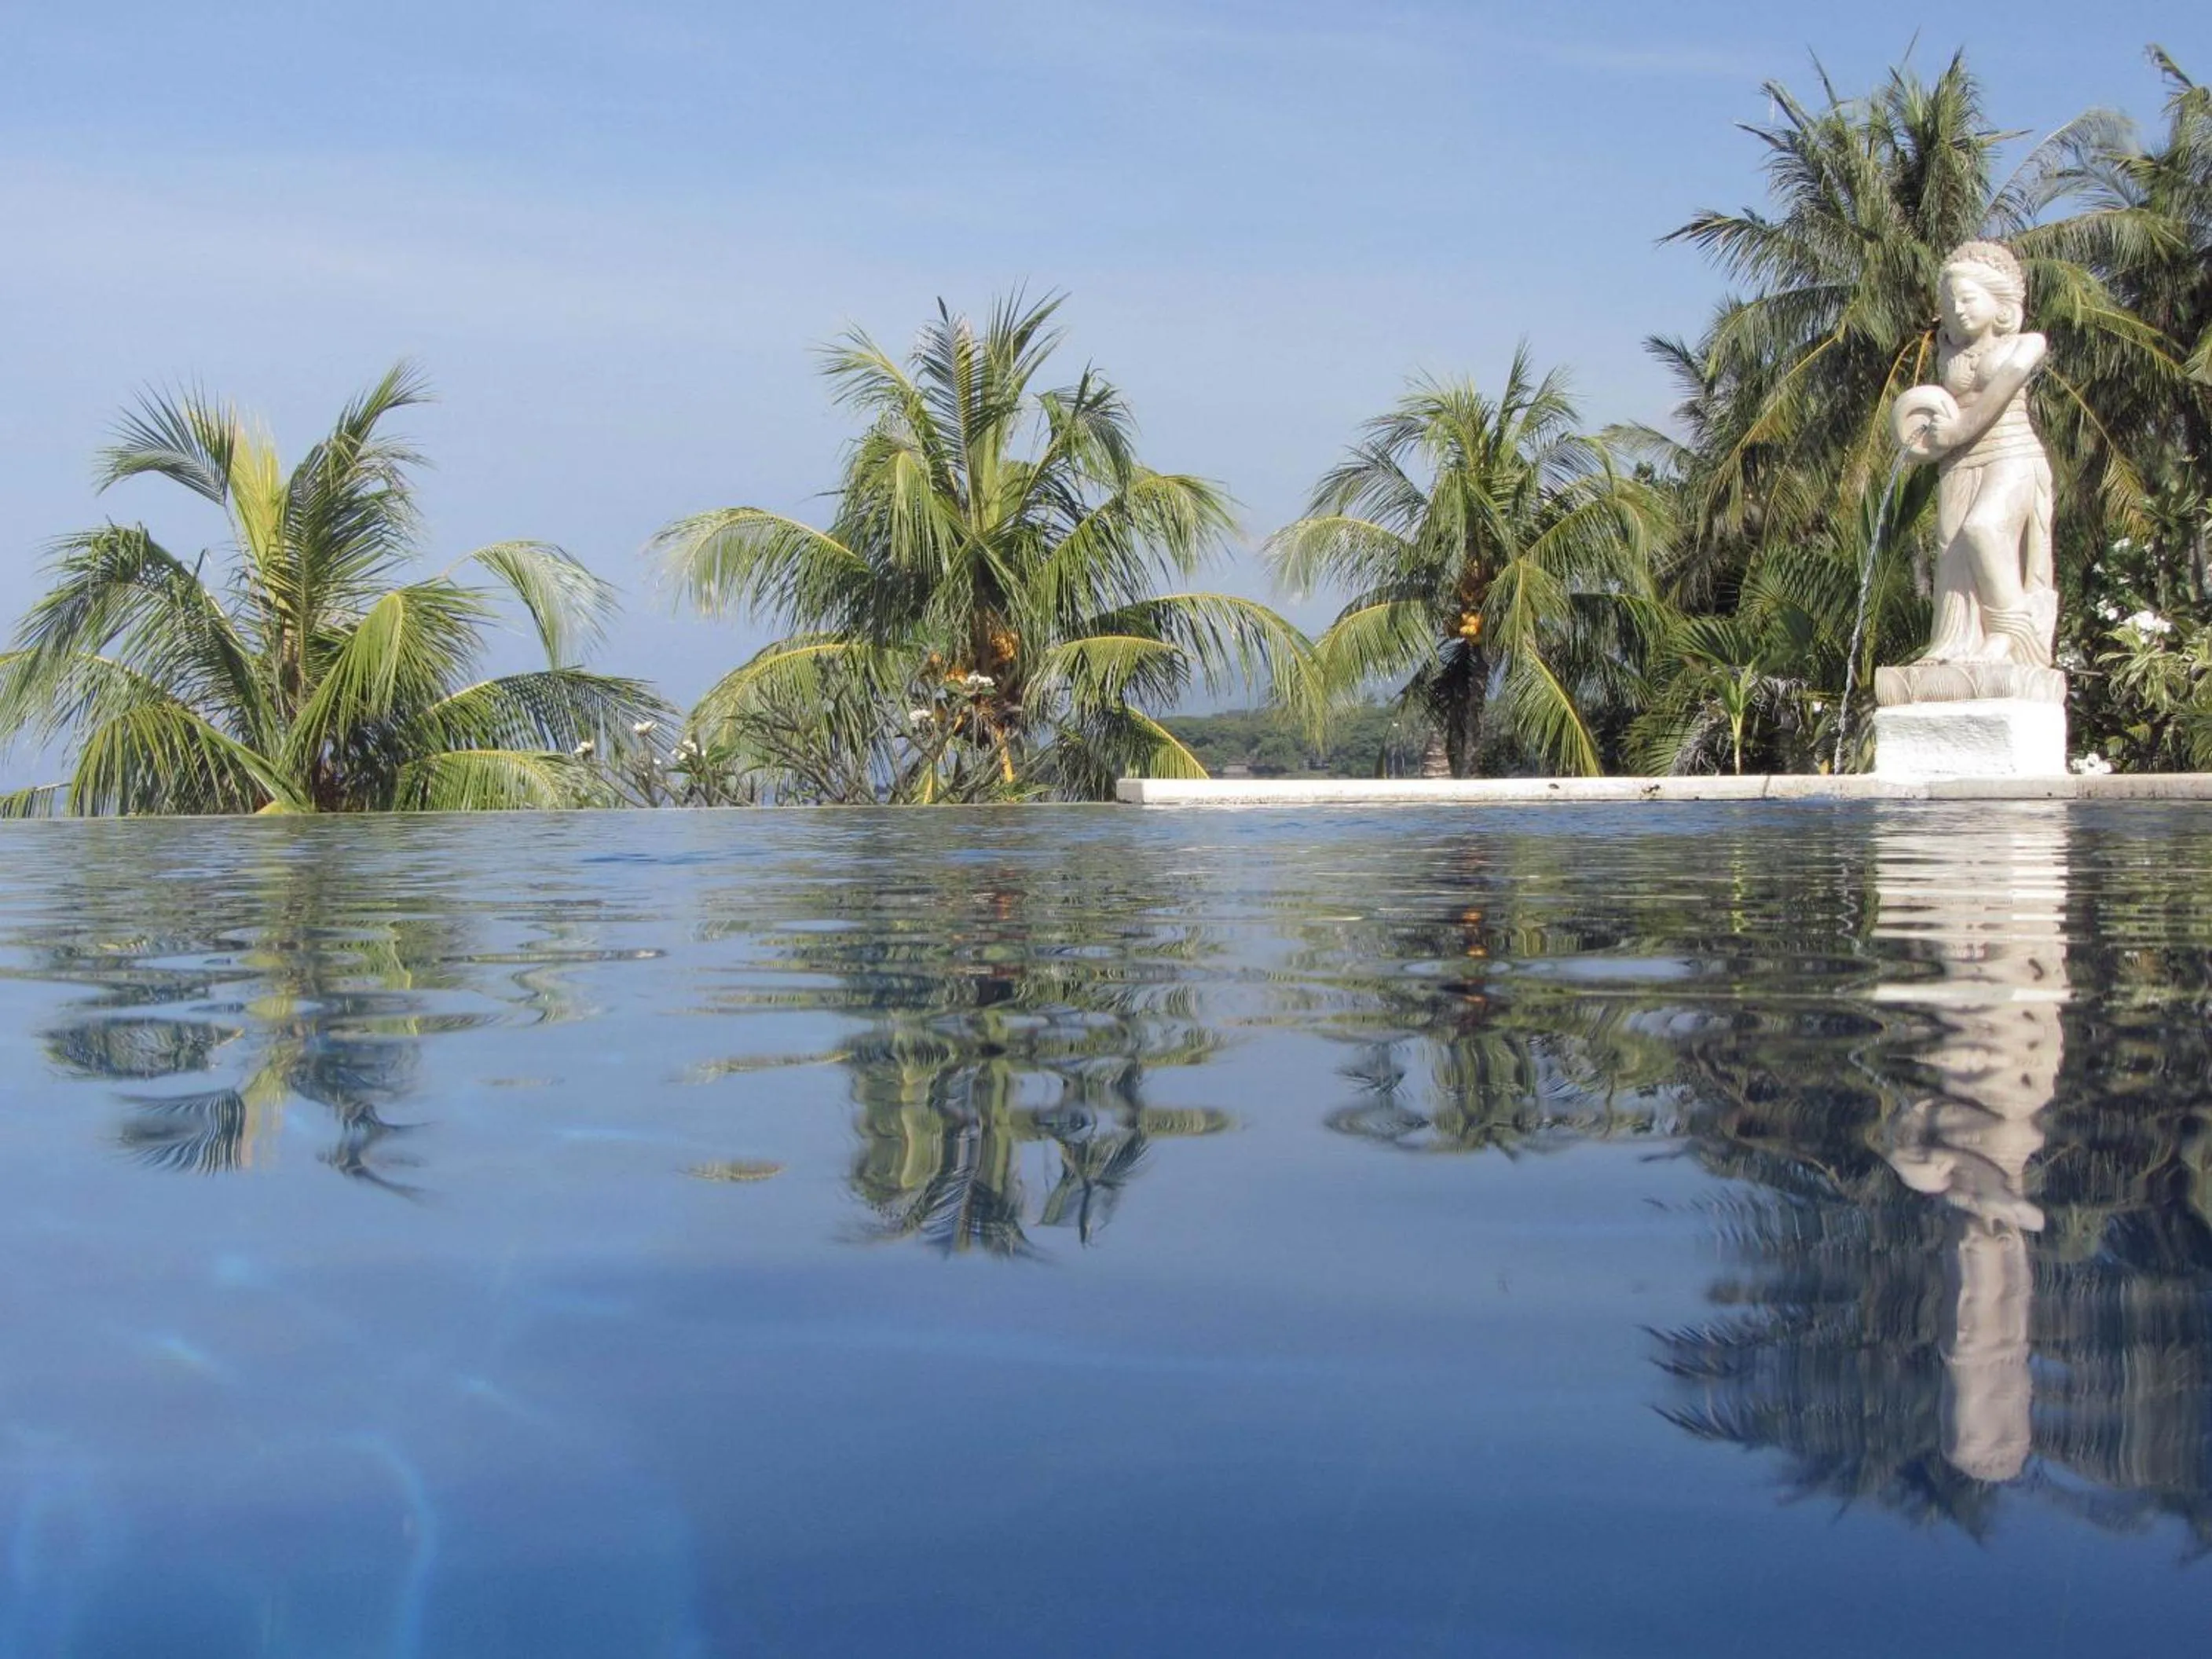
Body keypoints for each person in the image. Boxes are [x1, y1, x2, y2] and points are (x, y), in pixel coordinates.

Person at [1892, 240, 2056, 666]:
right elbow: (1938, 414)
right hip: (1960, 461)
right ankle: (1954, 645)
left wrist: (1956, 429)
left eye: (1968, 299)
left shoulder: (2027, 344)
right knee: (1953, 552)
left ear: (1999, 303)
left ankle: (2008, 635)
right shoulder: (1951, 355)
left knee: (1984, 529)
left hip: (2012, 452)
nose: (1959, 309)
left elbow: (2001, 390)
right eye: (1951, 302)